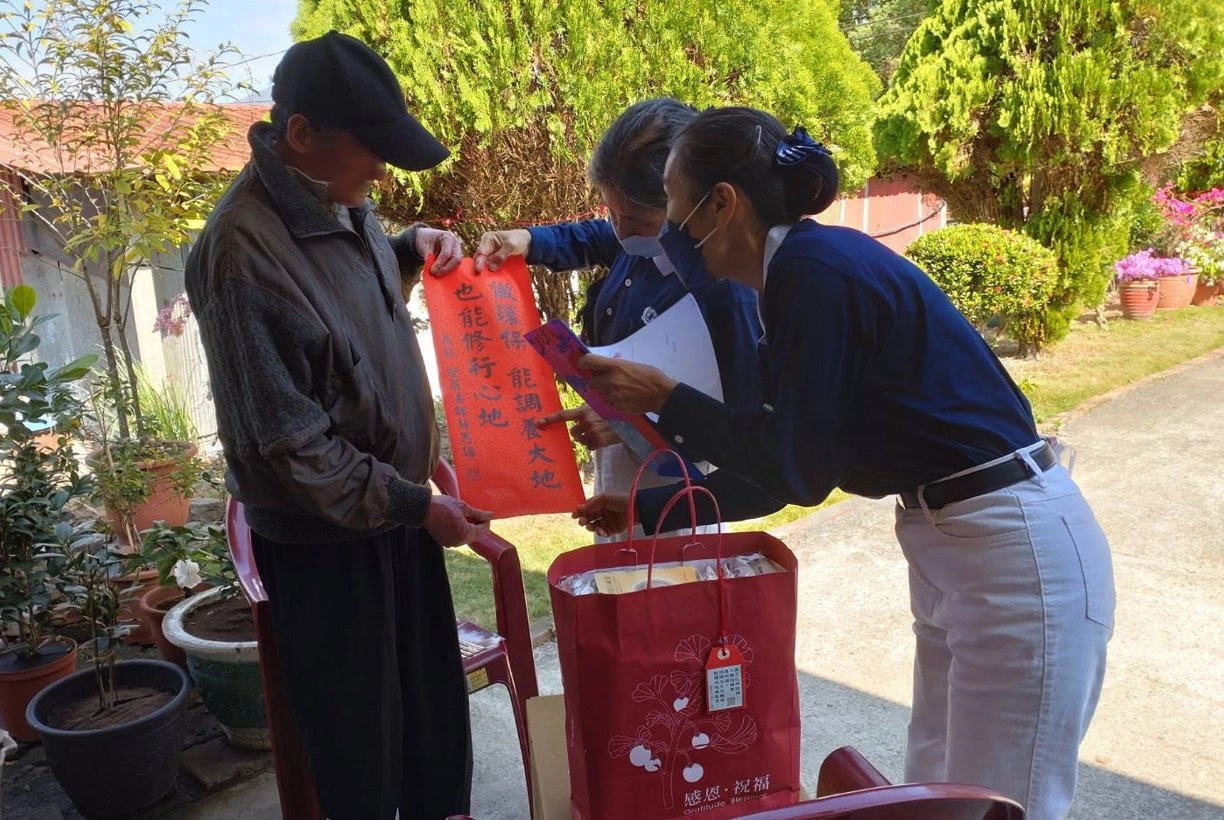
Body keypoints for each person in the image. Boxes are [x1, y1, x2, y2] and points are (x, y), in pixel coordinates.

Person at [574, 106, 1115, 820]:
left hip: (1012, 555)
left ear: (723, 205)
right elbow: (785, 457)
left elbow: (797, 470)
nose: (669, 234)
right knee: (936, 793)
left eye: (674, 209)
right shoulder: (795, 275)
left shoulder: (813, 273)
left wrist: (667, 399)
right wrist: (645, 501)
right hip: (957, 544)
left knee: (999, 805)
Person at [184, 31, 491, 820]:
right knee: (362, 756)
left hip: (395, 520)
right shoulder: (240, 256)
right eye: (373, 151)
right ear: (301, 136)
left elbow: (336, 302)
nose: (383, 171)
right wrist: (420, 505)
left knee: (428, 729)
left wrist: (407, 251)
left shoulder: (332, 198)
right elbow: (290, 449)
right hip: (330, 549)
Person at [471, 98, 779, 538]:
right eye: (611, 212)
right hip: (621, 462)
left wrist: (633, 423)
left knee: (663, 593)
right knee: (616, 586)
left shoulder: (724, 286)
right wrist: (529, 240)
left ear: (683, 201)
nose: (620, 230)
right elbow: (598, 237)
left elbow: (738, 429)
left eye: (634, 218)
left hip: (675, 484)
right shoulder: (645, 240)